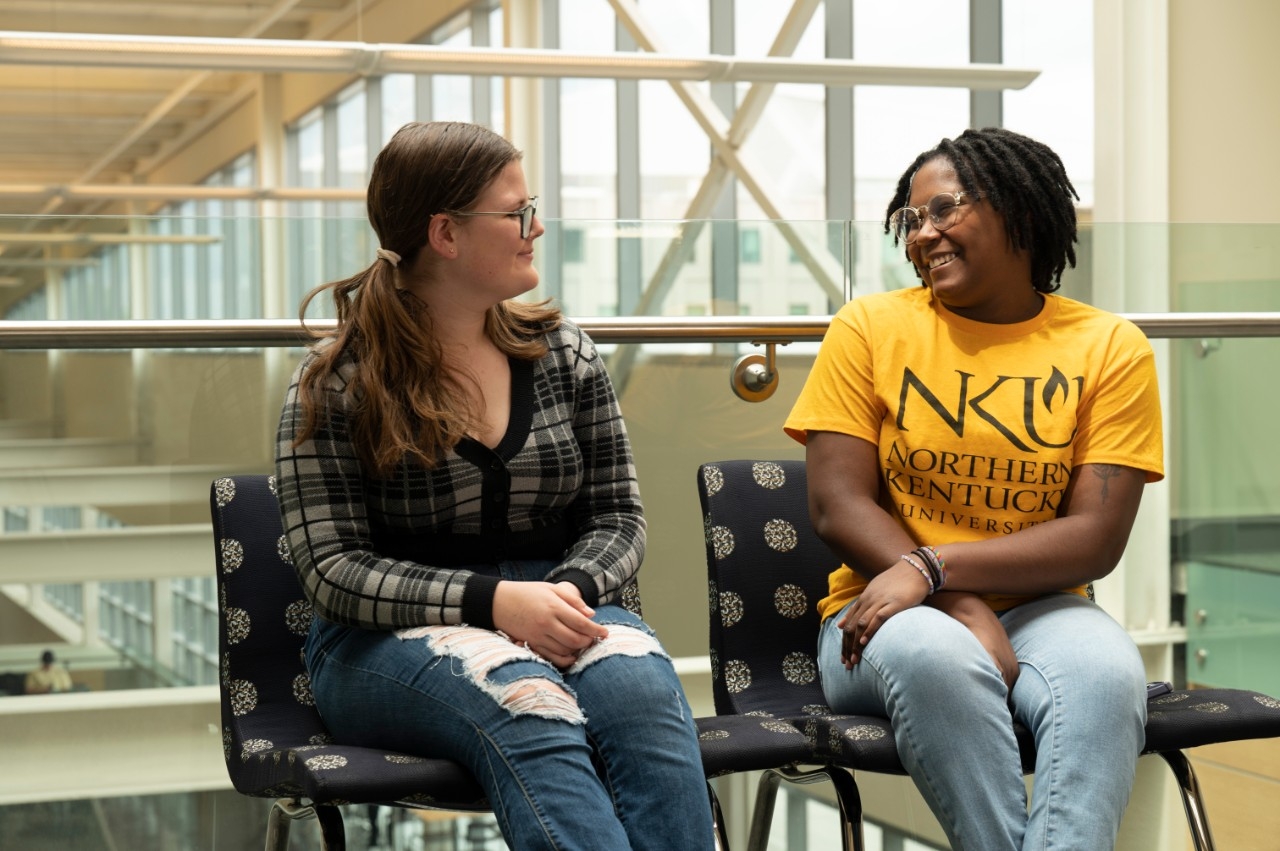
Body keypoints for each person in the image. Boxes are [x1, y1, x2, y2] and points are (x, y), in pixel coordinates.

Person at [275, 120, 715, 851]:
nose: (535, 227)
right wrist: (497, 604)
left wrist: (562, 593)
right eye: (516, 212)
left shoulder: (563, 354)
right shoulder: (338, 382)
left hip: (563, 604)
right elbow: (332, 571)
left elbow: (619, 517)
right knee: (528, 705)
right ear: (445, 234)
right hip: (376, 642)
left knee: (644, 704)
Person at [783, 127, 1164, 851]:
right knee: (940, 655)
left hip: (1046, 612)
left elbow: (1095, 537)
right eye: (912, 219)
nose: (924, 233)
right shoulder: (870, 326)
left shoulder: (1109, 346)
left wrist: (934, 568)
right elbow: (837, 504)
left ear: (1019, 209)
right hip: (878, 617)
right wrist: (951, 602)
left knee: (1110, 676)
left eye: (944, 210)